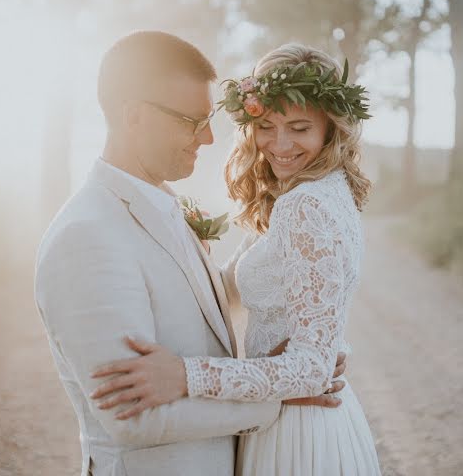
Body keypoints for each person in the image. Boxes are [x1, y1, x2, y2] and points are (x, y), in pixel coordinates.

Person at [34, 32, 345, 476]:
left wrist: (295, 359)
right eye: (191, 121)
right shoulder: (86, 237)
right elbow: (135, 417)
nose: (208, 137)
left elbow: (204, 301)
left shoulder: (164, 204)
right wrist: (278, 399)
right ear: (135, 116)